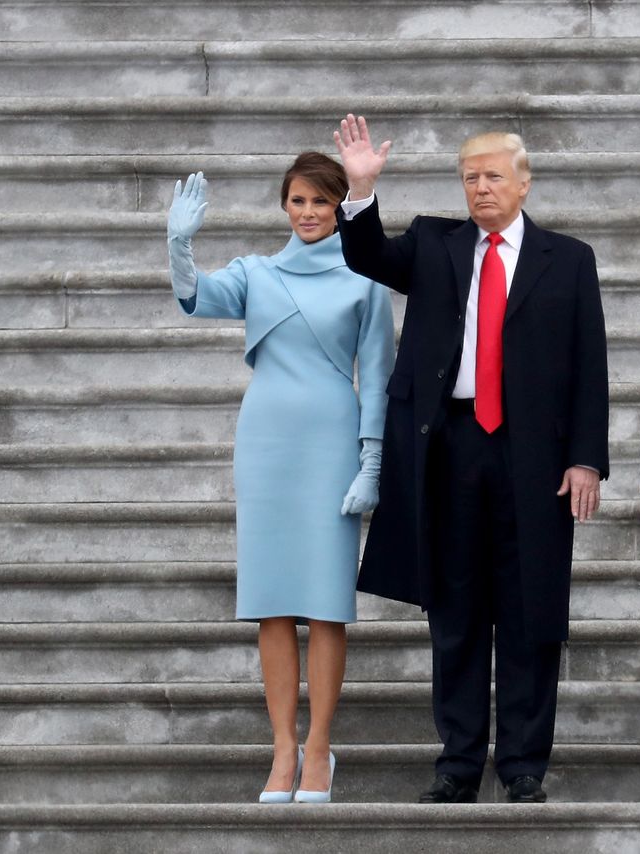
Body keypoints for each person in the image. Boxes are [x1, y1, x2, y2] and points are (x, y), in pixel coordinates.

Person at [332, 116, 609, 804]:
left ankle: (521, 763)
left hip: (532, 455)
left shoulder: (568, 258)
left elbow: (589, 366)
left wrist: (586, 460)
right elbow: (367, 257)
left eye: (491, 177)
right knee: (454, 610)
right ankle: (458, 759)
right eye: (469, 179)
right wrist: (360, 191)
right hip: (449, 444)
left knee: (528, 610)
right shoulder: (434, 241)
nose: (480, 189)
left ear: (523, 182)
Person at [166, 152, 394, 804]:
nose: (310, 213)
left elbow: (377, 373)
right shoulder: (258, 274)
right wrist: (179, 245)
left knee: (325, 605)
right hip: (266, 445)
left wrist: (371, 461)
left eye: (322, 202)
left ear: (337, 206)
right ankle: (283, 750)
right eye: (298, 201)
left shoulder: (365, 276)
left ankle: (320, 748)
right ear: (284, 205)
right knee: (270, 603)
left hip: (329, 446)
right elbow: (196, 298)